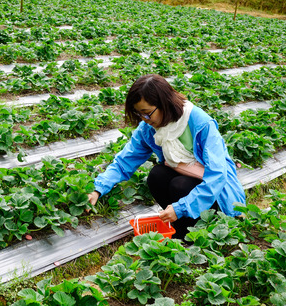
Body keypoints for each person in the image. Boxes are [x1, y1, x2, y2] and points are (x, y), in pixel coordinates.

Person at [88, 74, 246, 240]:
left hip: (216, 193)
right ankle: (181, 232)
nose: (144, 119)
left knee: (180, 185)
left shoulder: (200, 123)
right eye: (140, 114)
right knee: (157, 175)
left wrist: (181, 208)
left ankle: (203, 232)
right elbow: (125, 161)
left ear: (164, 103)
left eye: (147, 113)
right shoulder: (148, 129)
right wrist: (98, 188)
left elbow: (217, 175)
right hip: (189, 184)